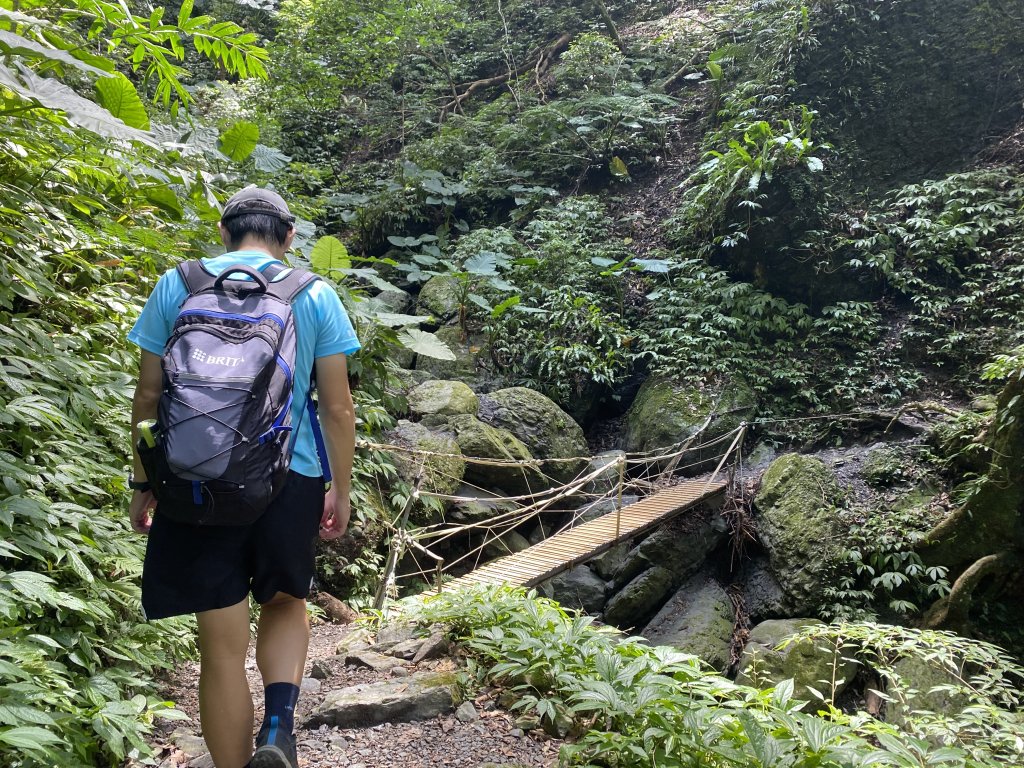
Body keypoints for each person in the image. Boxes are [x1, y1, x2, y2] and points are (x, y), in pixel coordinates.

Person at [126, 186, 360, 768]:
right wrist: (340, 488)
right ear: (288, 238)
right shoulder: (313, 293)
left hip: (195, 481)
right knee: (284, 602)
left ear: (225, 232)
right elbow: (337, 408)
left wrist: (142, 482)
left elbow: (149, 396)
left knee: (220, 651)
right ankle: (278, 728)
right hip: (291, 475)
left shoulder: (178, 284)